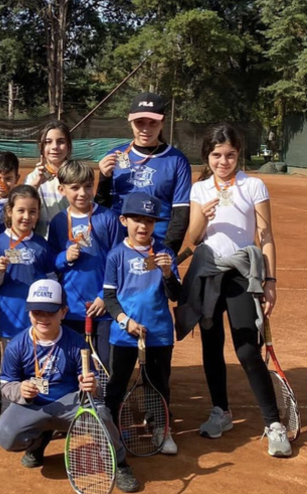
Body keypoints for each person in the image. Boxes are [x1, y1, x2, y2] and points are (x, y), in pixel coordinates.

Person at [176, 124, 290, 457]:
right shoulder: (199, 191)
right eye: (216, 155)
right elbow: (193, 240)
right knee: (211, 346)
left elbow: (266, 238)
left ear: (238, 154)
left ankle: (273, 423)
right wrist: (204, 216)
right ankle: (221, 412)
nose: (223, 161)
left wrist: (270, 281)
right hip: (209, 274)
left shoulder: (253, 185)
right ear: (207, 157)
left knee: (246, 350)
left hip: (242, 274)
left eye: (229, 155)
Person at [0, 279, 140, 492]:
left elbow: (94, 382)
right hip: (33, 405)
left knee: (101, 416)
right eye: (37, 312)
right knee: (6, 435)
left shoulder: (76, 342)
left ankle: (118, 462)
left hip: (70, 404)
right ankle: (39, 441)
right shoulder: (17, 345)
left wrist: (90, 385)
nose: (43, 318)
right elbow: (7, 384)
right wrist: (20, 390)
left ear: (63, 312)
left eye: (50, 312)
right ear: (29, 313)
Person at [102, 192, 181, 455]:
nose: (143, 226)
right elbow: (110, 297)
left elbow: (176, 295)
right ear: (124, 220)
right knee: (117, 384)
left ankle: (161, 429)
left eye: (149, 220)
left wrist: (168, 273)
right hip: (124, 335)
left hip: (158, 333)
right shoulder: (115, 255)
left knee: (158, 384)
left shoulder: (165, 253)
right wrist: (126, 321)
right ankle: (110, 432)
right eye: (136, 219)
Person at [48, 160, 123, 367]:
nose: (82, 193)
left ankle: (103, 400)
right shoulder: (58, 222)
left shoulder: (108, 218)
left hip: (103, 308)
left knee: (105, 365)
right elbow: (51, 263)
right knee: (74, 365)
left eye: (88, 186)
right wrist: (65, 257)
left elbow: (118, 263)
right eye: (75, 187)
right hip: (70, 309)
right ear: (62, 189)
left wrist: (103, 298)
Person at [95, 92, 191, 254]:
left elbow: (180, 214)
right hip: (118, 247)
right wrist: (104, 179)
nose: (146, 129)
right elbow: (101, 208)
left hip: (157, 245)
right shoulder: (114, 156)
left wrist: (167, 252)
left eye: (153, 123)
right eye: (139, 122)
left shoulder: (176, 160)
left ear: (162, 122)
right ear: (130, 121)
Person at [0, 185, 55, 341]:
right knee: (12, 363)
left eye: (32, 212)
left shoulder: (42, 244)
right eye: (21, 210)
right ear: (10, 211)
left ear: (38, 214)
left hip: (39, 320)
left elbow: (52, 279)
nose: (26, 216)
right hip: (10, 321)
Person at [25, 121, 73, 237]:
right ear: (41, 147)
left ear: (69, 146)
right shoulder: (33, 177)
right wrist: (35, 186)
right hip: (43, 244)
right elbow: (21, 210)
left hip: (72, 242)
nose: (54, 147)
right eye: (48, 142)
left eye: (60, 142)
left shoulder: (78, 174)